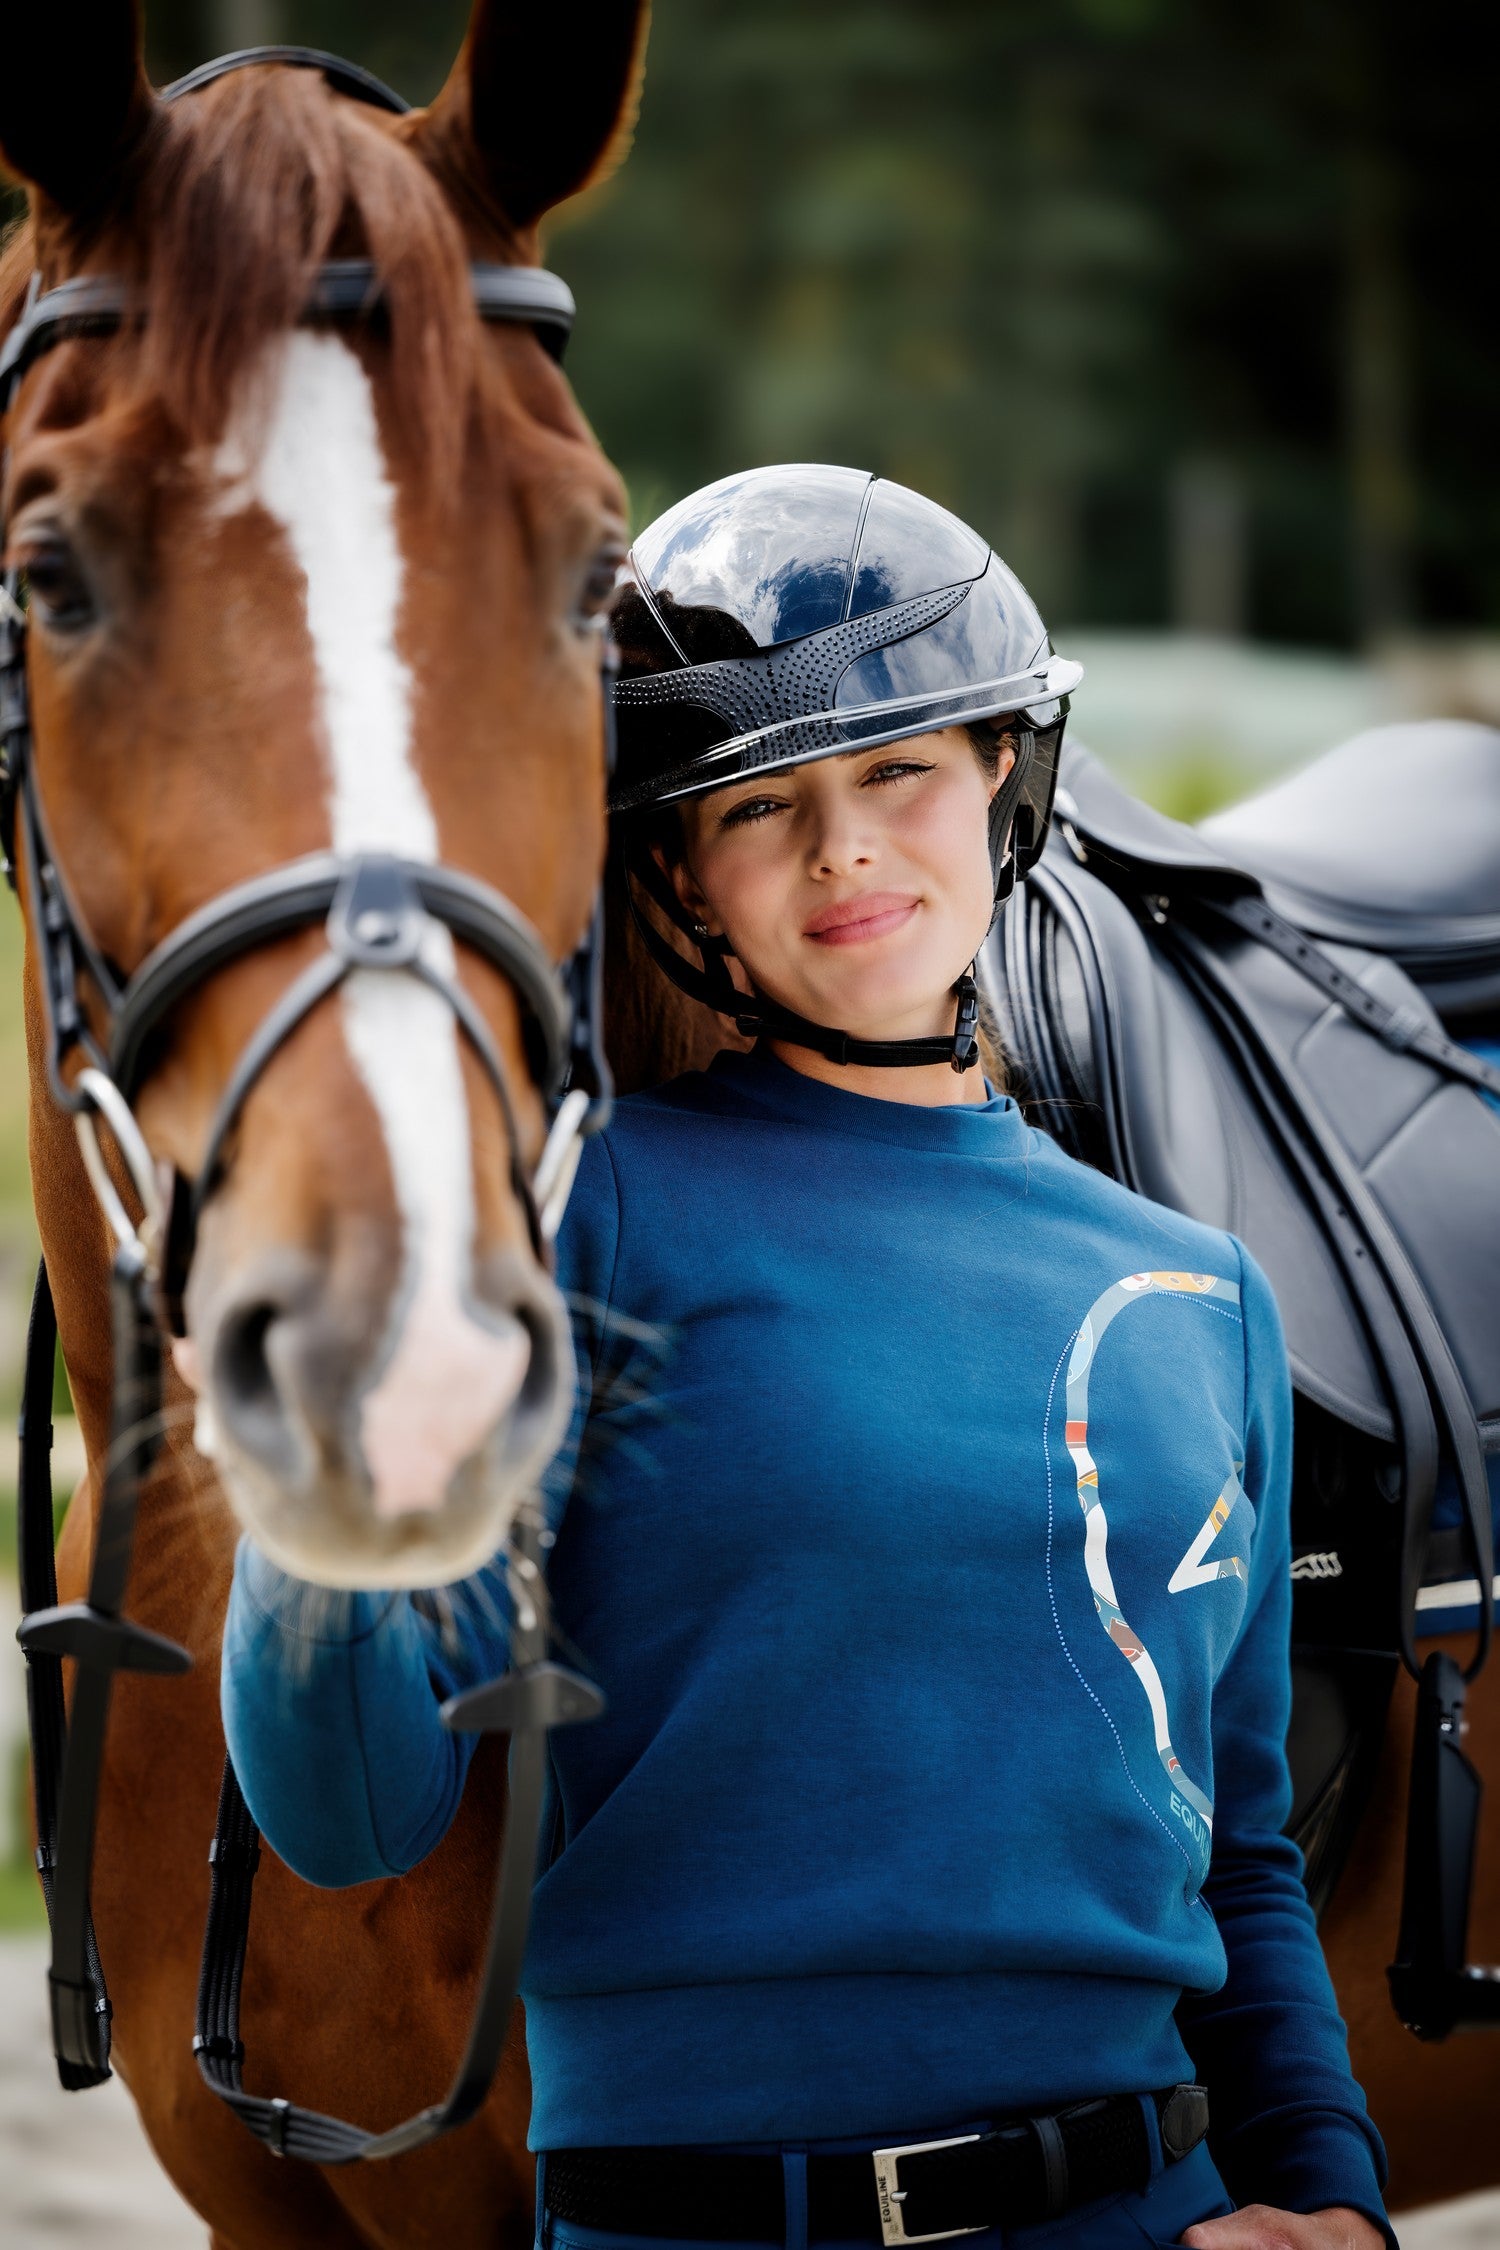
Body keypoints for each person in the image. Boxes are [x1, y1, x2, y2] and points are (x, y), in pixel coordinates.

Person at [221, 465, 1393, 2250]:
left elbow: (1239, 1854)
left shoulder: (1206, 1293)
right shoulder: (580, 1227)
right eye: (759, 805)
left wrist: (1332, 2195)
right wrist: (312, 1470)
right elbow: (354, 1810)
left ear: (1005, 771)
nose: (844, 847)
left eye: (897, 770)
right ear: (680, 871)